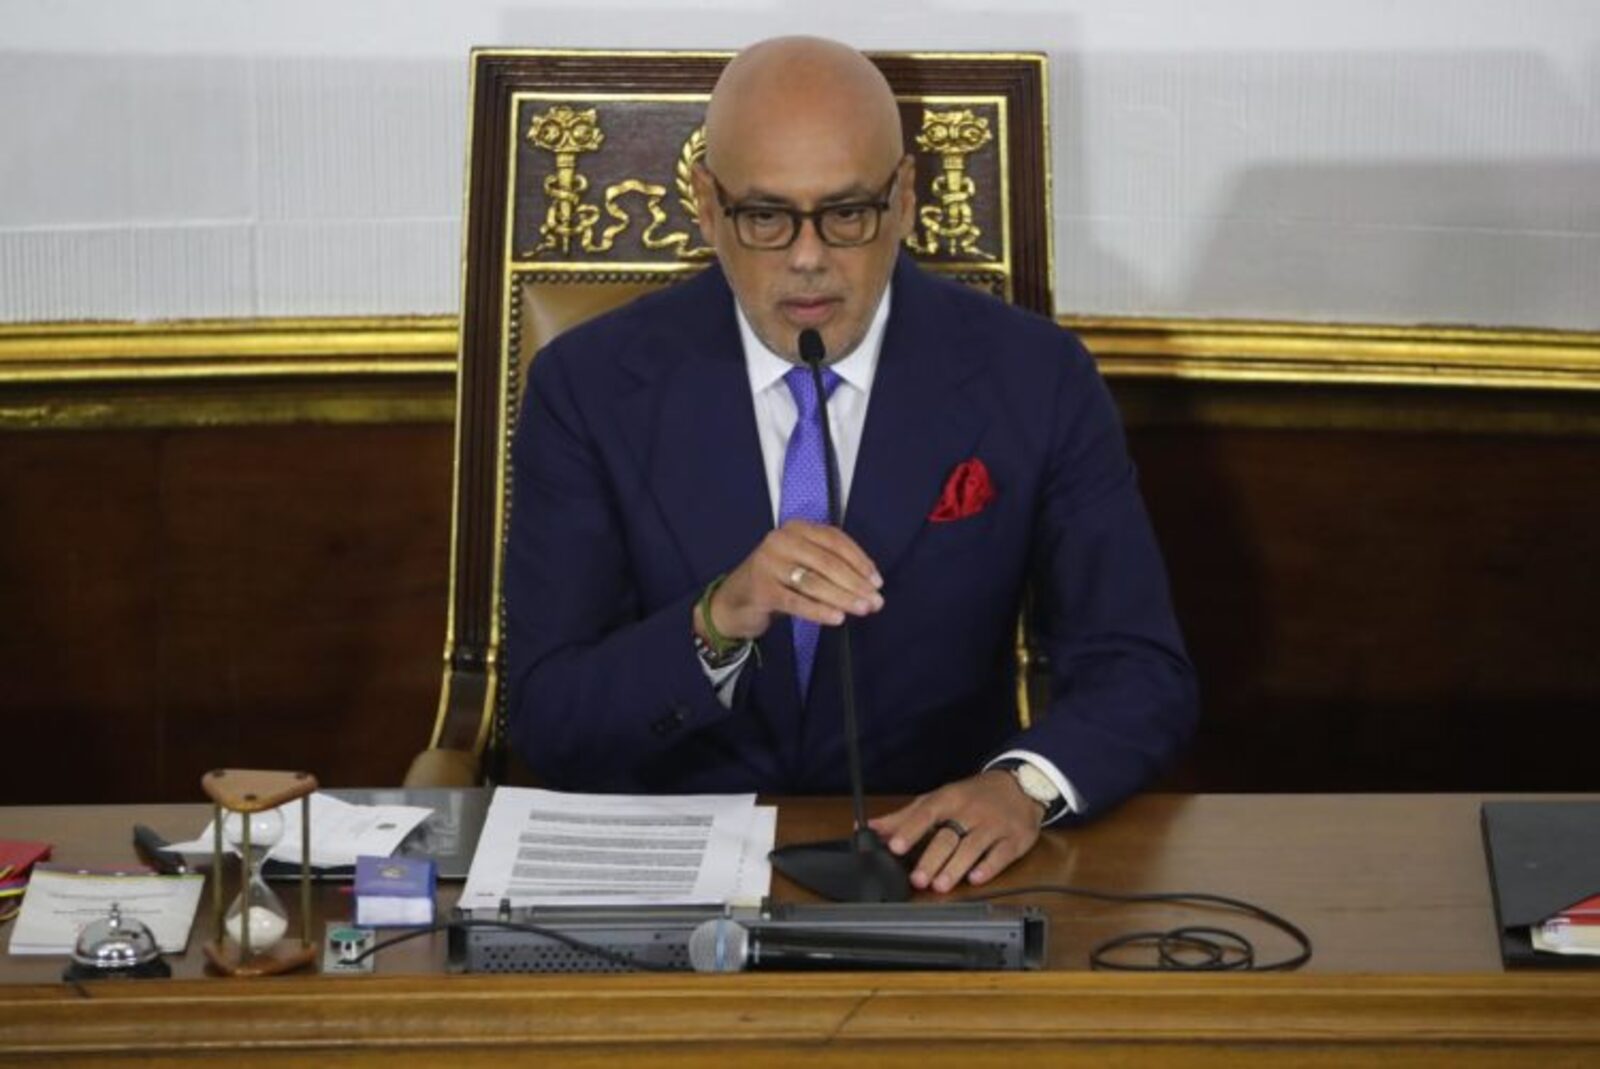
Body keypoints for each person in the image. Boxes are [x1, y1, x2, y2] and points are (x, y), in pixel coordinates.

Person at [506, 36, 1197, 893]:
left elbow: (1139, 668)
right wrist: (721, 616)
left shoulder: (1035, 377)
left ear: (903, 198)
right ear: (707, 206)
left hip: (931, 867)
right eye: (766, 216)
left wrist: (1022, 786)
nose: (808, 258)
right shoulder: (588, 386)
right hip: (669, 867)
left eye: (846, 214)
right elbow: (547, 714)